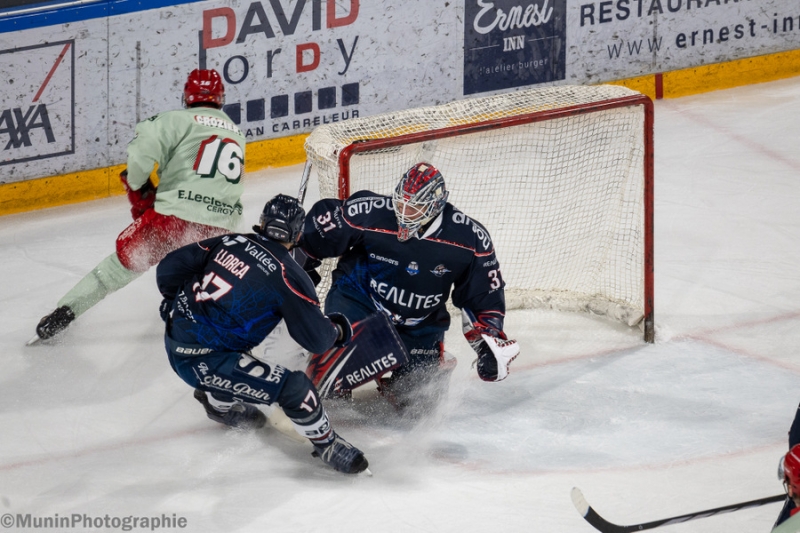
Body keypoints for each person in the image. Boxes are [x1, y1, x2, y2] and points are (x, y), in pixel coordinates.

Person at [156, 194, 369, 474]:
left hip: (175, 338)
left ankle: (218, 402)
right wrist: (338, 329)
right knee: (296, 388)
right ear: (297, 233)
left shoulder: (231, 241)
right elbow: (317, 340)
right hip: (206, 362)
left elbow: (168, 270)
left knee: (237, 342)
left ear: (263, 223)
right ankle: (328, 444)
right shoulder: (290, 277)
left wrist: (174, 302)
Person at [30, 69, 246, 344]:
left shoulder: (175, 119)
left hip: (174, 219)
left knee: (116, 270)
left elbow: (139, 154)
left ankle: (65, 312)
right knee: (205, 277)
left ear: (186, 96)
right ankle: (208, 328)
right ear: (221, 97)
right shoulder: (237, 133)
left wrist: (138, 185)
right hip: (220, 229)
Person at [299, 162, 519, 415]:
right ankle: (335, 369)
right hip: (361, 303)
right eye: (400, 203)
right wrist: (300, 253)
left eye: (413, 208)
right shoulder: (372, 212)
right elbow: (324, 225)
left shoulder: (470, 239)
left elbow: (483, 297)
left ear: (436, 205)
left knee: (420, 405)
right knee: (328, 388)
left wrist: (486, 345)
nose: (403, 213)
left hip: (420, 324)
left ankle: (400, 367)